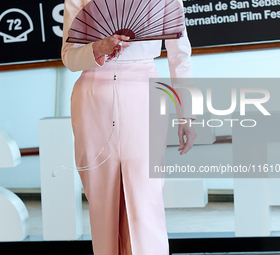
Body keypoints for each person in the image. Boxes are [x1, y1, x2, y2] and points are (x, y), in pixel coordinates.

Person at [61, 0, 196, 254]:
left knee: (146, 197)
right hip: (92, 98)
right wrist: (98, 48)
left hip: (144, 93)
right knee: (102, 201)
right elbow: (69, 58)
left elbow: (180, 55)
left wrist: (186, 114)